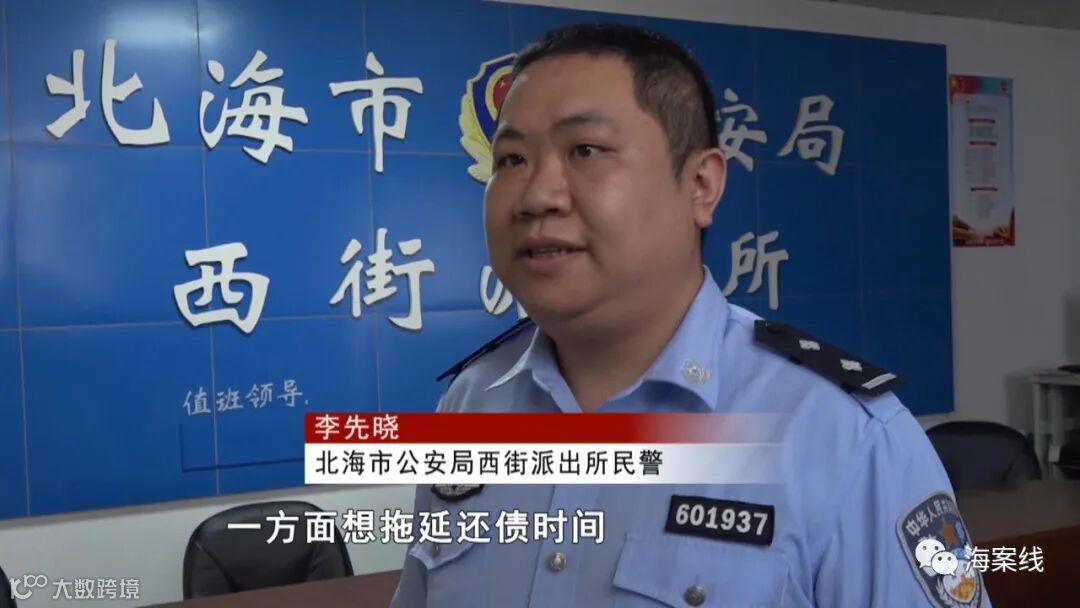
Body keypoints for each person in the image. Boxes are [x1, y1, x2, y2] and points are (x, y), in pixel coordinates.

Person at [390, 22, 988, 608]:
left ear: (701, 185)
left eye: (585, 150)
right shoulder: (471, 406)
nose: (536, 195)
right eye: (511, 159)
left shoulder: (847, 438)